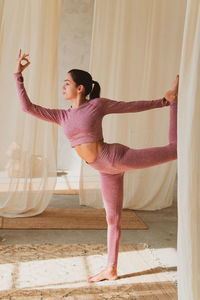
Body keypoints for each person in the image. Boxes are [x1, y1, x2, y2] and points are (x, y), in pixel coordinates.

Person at [14, 49, 178, 283]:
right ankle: (111, 268)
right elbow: (27, 108)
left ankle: (175, 104)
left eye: (67, 83)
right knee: (113, 219)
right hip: (104, 169)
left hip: (115, 158)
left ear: (80, 88)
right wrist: (18, 76)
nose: (63, 87)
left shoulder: (97, 105)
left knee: (174, 150)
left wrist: (163, 102)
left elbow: (130, 106)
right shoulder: (62, 116)